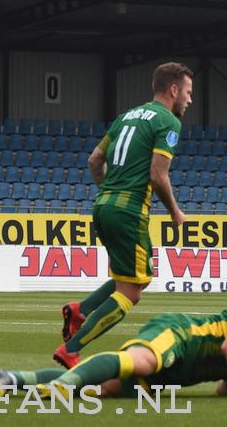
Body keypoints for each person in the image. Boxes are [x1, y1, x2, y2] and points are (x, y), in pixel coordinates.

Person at [54, 62, 192, 369]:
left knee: (134, 277)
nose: (189, 99)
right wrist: (175, 212)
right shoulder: (168, 122)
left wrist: (108, 192)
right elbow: (158, 174)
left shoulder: (125, 117)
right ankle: (71, 349)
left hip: (103, 206)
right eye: (188, 92)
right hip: (129, 211)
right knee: (131, 293)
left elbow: (94, 159)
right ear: (173, 90)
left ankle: (81, 310)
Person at [0, 299, 227, 401]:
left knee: (105, 388)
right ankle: (61, 384)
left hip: (178, 377)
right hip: (181, 334)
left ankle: (10, 379)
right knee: (140, 361)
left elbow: (224, 386)